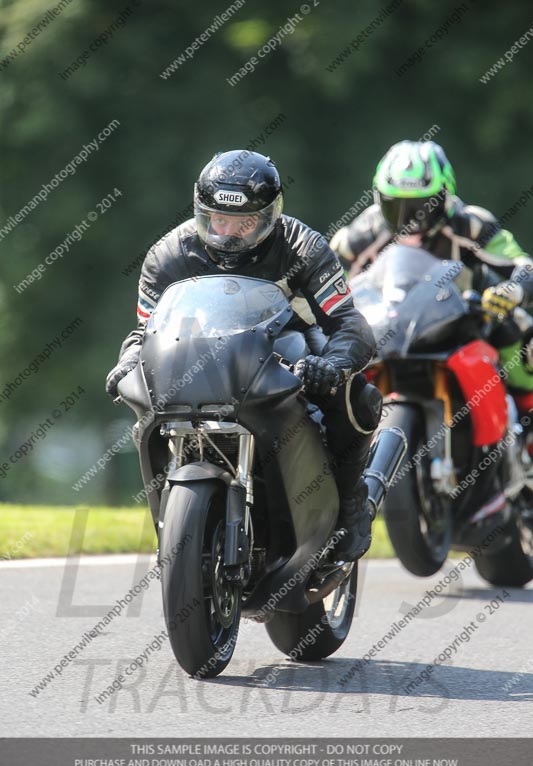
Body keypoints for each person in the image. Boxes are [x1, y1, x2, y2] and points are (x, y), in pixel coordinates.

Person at [106, 149, 383, 561]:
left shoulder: (303, 247)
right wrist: (127, 362)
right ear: (202, 213)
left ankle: (350, 503)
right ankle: (176, 523)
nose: (229, 233)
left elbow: (348, 323)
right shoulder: (168, 256)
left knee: (355, 394)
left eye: (245, 223)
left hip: (290, 346)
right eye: (219, 220)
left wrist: (333, 365)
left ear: (270, 216)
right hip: (200, 353)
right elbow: (144, 333)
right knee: (145, 411)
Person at [330, 140, 533, 398]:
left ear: (446, 197)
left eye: (422, 207)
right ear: (378, 198)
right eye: (396, 207)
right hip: (384, 330)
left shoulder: (470, 224)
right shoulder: (362, 233)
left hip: (467, 323)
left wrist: (513, 291)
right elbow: (324, 279)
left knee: (520, 335)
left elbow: (522, 264)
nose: (409, 221)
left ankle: (523, 421)